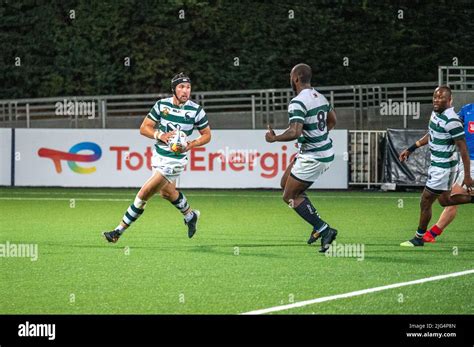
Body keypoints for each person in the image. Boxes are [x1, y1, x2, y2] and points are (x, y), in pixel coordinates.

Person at [103, 73, 211, 243]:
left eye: (188, 87)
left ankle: (118, 231)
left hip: (175, 161)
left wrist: (191, 144)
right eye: (181, 87)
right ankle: (190, 215)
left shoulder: (196, 110)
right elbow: (144, 128)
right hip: (159, 155)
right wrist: (161, 135)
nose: (185, 91)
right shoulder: (162, 106)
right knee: (167, 192)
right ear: (174, 89)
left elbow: (207, 135)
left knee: (144, 194)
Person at [265, 63, 338, 253]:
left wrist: (274, 139)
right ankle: (316, 223)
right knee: (285, 183)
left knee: (289, 196)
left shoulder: (298, 101)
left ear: (296, 78)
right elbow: (332, 121)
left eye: (291, 77)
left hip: (314, 156)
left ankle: (324, 229)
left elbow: (294, 132)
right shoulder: (320, 97)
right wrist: (318, 135)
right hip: (319, 151)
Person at [399, 87, 473, 247]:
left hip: (444, 168)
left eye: (441, 98)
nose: (436, 100)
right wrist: (411, 148)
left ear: (450, 100)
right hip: (437, 165)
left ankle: (419, 238)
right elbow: (432, 133)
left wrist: (467, 176)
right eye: (435, 97)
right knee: (445, 201)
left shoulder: (452, 120)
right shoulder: (436, 114)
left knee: (425, 200)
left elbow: (463, 149)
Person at [423, 103, 474, 242]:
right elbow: (447, 130)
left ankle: (432, 233)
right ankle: (432, 233)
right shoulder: (467, 110)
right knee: (452, 198)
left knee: (453, 197)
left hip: (470, 165)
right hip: (466, 162)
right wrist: (414, 146)